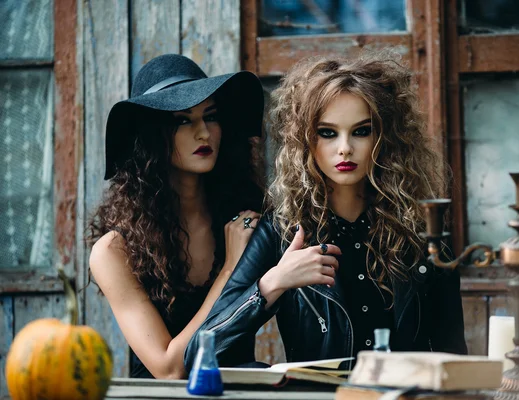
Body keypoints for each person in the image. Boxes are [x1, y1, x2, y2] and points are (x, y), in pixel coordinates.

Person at [184, 50, 467, 371]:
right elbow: (201, 352)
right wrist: (274, 282)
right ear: (306, 140)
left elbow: (455, 357)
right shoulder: (281, 233)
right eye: (328, 133)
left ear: (385, 138)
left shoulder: (423, 233)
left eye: (361, 131)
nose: (344, 147)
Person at [88, 54, 265, 379]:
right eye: (183, 120)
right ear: (152, 136)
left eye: (210, 116)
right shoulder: (114, 252)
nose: (204, 133)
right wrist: (230, 270)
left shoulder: (247, 221)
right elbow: (169, 369)